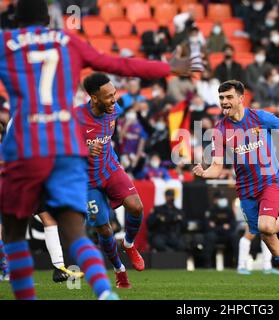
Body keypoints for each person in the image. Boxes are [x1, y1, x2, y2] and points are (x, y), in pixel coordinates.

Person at [0, 0, 198, 300]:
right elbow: (120, 64)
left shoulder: (6, 43)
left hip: (25, 148)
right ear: (48, 19)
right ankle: (106, 293)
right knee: (78, 233)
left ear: (15, 20)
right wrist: (168, 67)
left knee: (14, 235)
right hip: (64, 148)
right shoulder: (68, 41)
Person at [193, 80, 279, 291]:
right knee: (265, 235)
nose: (224, 102)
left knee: (267, 227)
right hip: (245, 188)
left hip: (269, 180)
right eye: (221, 98)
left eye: (229, 97)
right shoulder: (220, 129)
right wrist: (205, 172)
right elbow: (217, 166)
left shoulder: (259, 117)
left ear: (241, 98)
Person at [75, 73, 150, 289]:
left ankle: (129, 244)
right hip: (87, 181)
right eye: (108, 96)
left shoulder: (114, 110)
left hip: (110, 169)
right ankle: (119, 270)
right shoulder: (75, 117)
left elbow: (109, 134)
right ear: (94, 98)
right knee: (104, 229)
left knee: (136, 207)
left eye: (114, 93)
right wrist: (84, 149)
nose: (114, 99)